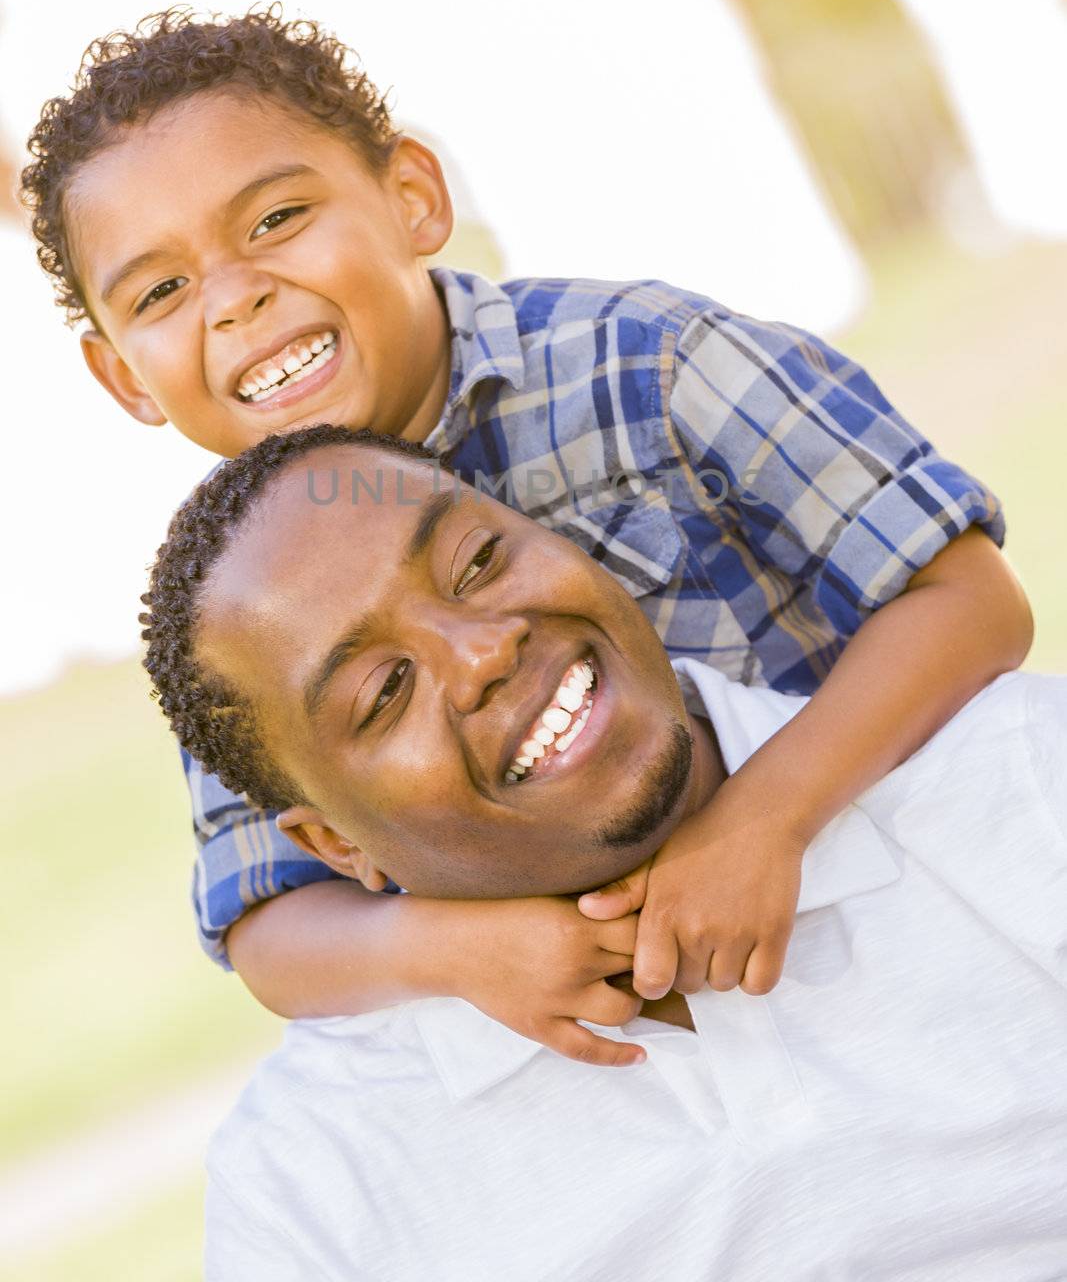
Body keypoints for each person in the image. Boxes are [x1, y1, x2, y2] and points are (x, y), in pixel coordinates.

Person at [23, 8, 1032, 1061]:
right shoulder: (240, 614)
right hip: (658, 1060)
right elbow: (266, 920)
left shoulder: (650, 362)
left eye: (274, 219)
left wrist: (764, 818)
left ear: (411, 197)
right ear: (124, 375)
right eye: (162, 289)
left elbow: (966, 600)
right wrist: (451, 949)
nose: (234, 299)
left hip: (905, 903)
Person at [140, 425, 1067, 1282]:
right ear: (337, 845)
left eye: (477, 562)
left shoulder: (1023, 786)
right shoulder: (314, 1192)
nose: (485, 651)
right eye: (384, 691)